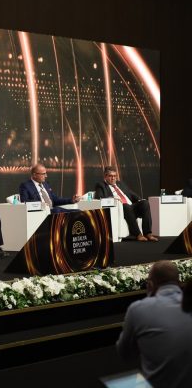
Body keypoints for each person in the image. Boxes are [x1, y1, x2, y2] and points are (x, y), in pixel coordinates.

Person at [116, 260, 192, 388]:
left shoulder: (138, 309)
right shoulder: (189, 303)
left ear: (150, 284)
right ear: (179, 282)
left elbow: (125, 353)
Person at [94, 166, 158, 242]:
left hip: (131, 207)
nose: (113, 178)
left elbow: (131, 193)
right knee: (126, 206)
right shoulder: (101, 185)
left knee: (145, 203)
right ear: (105, 176)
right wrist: (112, 198)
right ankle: (138, 234)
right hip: (120, 209)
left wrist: (140, 199)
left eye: (114, 176)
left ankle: (148, 233)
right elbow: (99, 198)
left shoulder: (120, 184)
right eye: (110, 176)